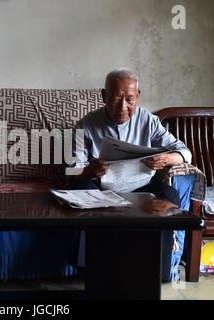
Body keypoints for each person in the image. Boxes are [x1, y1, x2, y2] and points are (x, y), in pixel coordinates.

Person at [67, 68, 192, 282]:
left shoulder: (149, 121)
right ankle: (86, 270)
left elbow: (185, 152)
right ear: (104, 96)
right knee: (77, 190)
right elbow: (72, 171)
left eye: (129, 99)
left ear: (138, 96)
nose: (123, 107)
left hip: (140, 189)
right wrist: (89, 170)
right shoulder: (86, 125)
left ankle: (160, 272)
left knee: (168, 193)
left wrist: (167, 159)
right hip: (100, 191)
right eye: (116, 99)